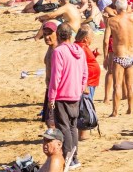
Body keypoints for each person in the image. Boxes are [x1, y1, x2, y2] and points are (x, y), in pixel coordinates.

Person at [46, 22, 88, 167]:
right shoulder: (79, 50)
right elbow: (85, 73)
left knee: (64, 127)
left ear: (58, 35)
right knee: (72, 127)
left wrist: (51, 97)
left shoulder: (58, 52)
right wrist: (80, 88)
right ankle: (74, 157)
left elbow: (55, 77)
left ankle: (69, 157)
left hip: (62, 95)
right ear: (70, 35)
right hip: (75, 95)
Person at [103, 0, 133, 118]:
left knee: (117, 85)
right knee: (130, 85)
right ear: (126, 7)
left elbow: (106, 41)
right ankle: (130, 109)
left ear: (116, 8)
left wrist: (106, 57)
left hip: (119, 56)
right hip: (131, 55)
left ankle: (115, 112)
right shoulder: (132, 18)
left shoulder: (112, 21)